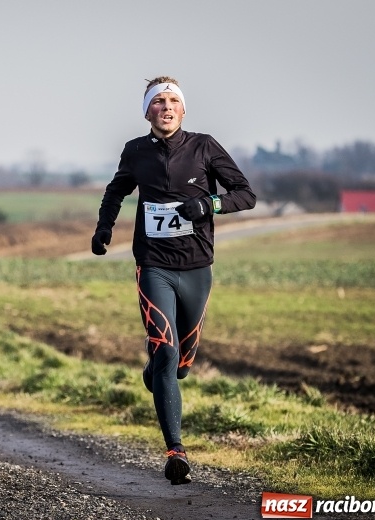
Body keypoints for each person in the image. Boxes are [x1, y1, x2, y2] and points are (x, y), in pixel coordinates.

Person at [91, 76, 256, 485]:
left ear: (183, 110)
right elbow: (116, 191)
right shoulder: (135, 152)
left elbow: (245, 194)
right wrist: (103, 228)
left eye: (173, 101)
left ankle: (158, 373)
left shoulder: (204, 147)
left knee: (179, 365)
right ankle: (176, 451)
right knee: (164, 352)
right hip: (154, 265)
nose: (165, 107)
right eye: (158, 101)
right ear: (146, 111)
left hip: (197, 267)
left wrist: (209, 203)